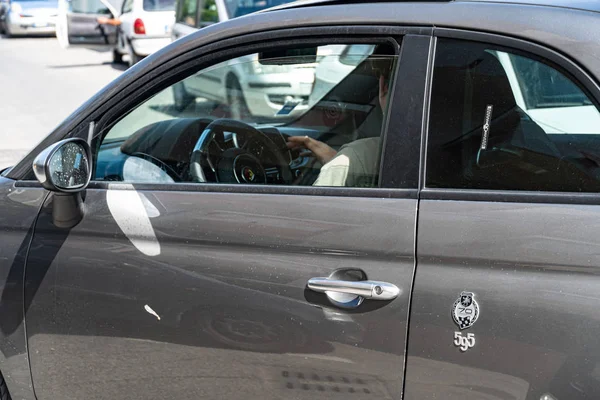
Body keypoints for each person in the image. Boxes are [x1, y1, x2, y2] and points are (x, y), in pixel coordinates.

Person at [286, 49, 394, 187]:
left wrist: (342, 166)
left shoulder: (360, 156)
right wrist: (338, 160)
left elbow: (311, 208)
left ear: (383, 86)